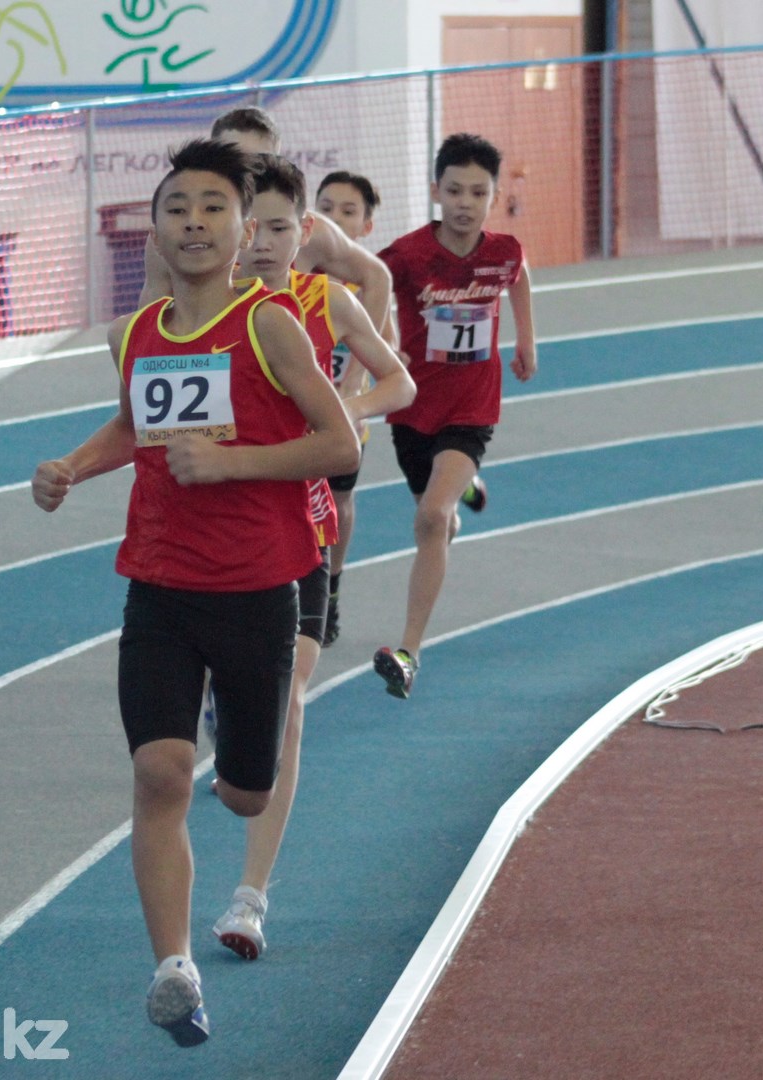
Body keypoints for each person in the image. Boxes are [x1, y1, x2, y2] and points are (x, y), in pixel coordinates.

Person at [31, 139, 359, 1047]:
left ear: (245, 231)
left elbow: (340, 445)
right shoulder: (135, 334)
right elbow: (133, 425)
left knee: (245, 795)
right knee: (159, 774)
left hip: (255, 590)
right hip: (160, 586)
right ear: (156, 231)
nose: (194, 223)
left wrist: (230, 463)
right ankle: (173, 968)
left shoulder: (270, 325)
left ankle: (239, 738)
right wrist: (72, 466)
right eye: (177, 208)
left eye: (213, 208)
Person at [208, 154, 415, 961]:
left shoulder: (326, 301)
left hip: (304, 526)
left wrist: (348, 408)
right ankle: (226, 710)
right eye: (251, 227)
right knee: (233, 723)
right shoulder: (207, 308)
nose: (263, 242)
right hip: (216, 534)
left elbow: (398, 383)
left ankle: (249, 898)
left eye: (279, 227)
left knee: (290, 701)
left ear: (306, 233)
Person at [371, 132, 537, 699]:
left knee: (431, 519)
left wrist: (526, 340)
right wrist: (385, 343)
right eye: (456, 190)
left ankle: (408, 652)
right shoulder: (408, 254)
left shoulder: (503, 251)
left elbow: (519, 276)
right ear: (435, 191)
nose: (466, 203)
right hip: (413, 407)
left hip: (472, 406)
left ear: (494, 198)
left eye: (478, 193)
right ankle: (462, 490)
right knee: (436, 513)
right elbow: (369, 289)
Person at [139, 106, 393, 335]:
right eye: (233, 162)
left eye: (257, 163)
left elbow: (378, 277)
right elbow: (147, 327)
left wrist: (358, 368)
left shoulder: (311, 230)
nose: (246, 174)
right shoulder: (178, 234)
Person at [314, 169, 387, 647]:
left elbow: (389, 349)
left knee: (338, 500)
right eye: (326, 208)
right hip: (293, 414)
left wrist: (357, 382)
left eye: (348, 211)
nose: (335, 219)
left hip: (346, 413)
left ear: (365, 226)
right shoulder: (296, 275)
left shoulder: (369, 287)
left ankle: (331, 589)